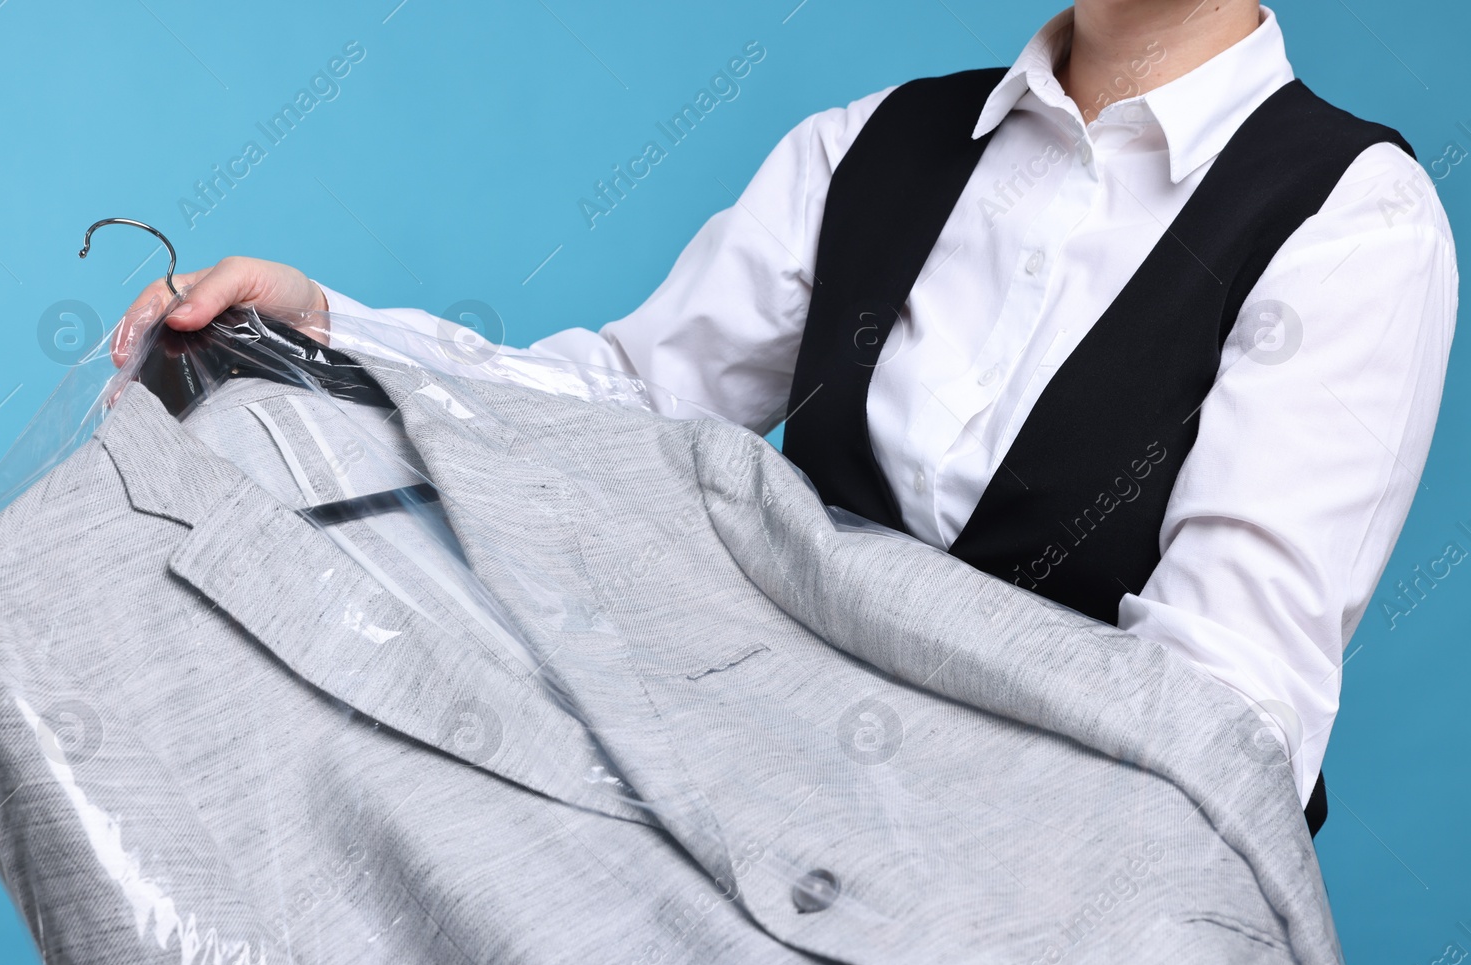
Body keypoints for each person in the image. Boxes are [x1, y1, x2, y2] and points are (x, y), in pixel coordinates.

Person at [121, 1, 1456, 822]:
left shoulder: (1348, 224)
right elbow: (625, 399)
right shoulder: (868, 146)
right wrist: (328, 328)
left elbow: (1225, 720)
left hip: (1086, 914)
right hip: (787, 832)